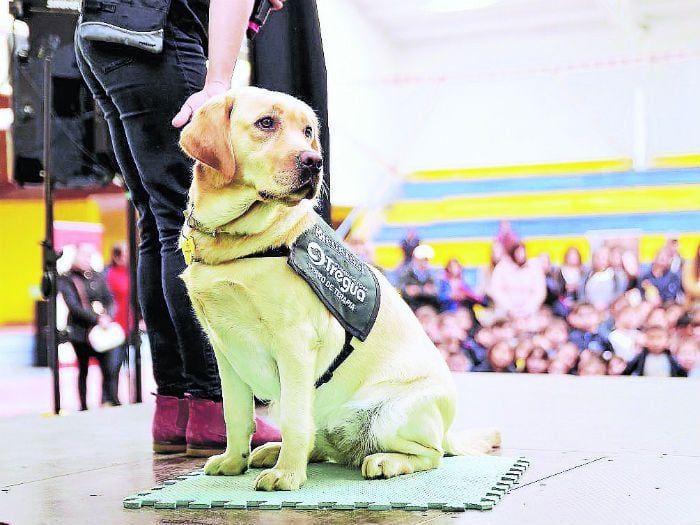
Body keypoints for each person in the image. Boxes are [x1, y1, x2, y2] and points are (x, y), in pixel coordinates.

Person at [75, 0, 287, 454]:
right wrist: (217, 83)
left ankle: (176, 407)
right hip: (159, 38)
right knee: (186, 222)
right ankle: (215, 406)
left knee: (157, 222)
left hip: (103, 35)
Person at [58, 243, 118, 410]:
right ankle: (83, 405)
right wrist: (96, 319)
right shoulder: (68, 279)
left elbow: (110, 300)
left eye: (89, 255)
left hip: (101, 332)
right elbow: (74, 306)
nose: (87, 259)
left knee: (109, 368)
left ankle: (107, 399)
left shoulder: (98, 277)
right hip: (80, 332)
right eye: (83, 255)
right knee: (83, 369)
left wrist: (107, 317)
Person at [488, 242, 546, 318]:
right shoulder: (502, 267)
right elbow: (496, 289)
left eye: (523, 252)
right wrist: (509, 308)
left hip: (530, 312)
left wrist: (528, 308)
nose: (521, 255)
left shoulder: (534, 268)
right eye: (518, 252)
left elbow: (539, 291)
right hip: (505, 311)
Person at [103, 242, 130, 405]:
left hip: (128, 323)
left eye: (126, 254)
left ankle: (114, 397)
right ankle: (109, 397)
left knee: (119, 364)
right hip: (113, 325)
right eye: (120, 254)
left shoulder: (131, 273)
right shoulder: (108, 274)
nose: (123, 257)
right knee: (110, 366)